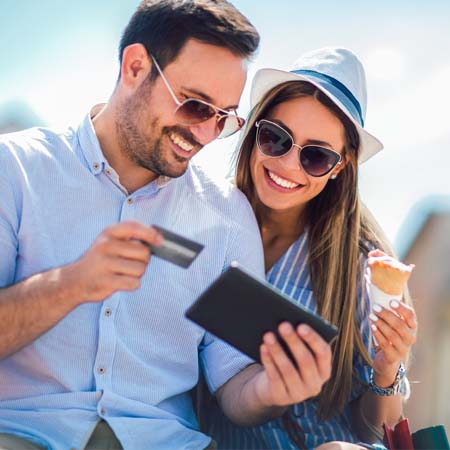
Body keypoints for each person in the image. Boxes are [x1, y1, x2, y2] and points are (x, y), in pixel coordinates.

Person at [0, 2, 335, 449]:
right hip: (24, 434)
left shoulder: (227, 215)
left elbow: (234, 385)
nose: (204, 135)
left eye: (224, 117)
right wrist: (72, 284)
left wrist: (273, 391)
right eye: (195, 105)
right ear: (135, 67)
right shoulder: (15, 169)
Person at [205, 47, 418, 449]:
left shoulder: (361, 264)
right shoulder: (205, 225)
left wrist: (389, 366)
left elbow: (375, 431)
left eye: (316, 156)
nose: (288, 165)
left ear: (341, 166)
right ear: (254, 131)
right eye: (276, 137)